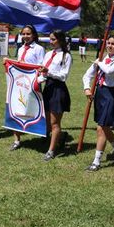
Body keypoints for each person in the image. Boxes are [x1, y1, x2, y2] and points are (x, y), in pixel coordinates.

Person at [82, 35, 114, 172]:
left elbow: (109, 71)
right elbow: (87, 75)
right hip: (100, 94)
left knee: (101, 128)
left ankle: (96, 162)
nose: (109, 46)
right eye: (108, 43)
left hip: (111, 95)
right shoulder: (102, 60)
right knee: (105, 127)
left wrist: (99, 62)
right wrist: (87, 88)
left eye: (113, 44)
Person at [10, 24, 46, 151]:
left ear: (34, 35)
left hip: (33, 83)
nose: (25, 36)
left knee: (36, 108)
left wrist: (37, 80)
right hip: (19, 84)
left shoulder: (39, 49)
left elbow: (41, 66)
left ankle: (41, 133)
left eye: (28, 34)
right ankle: (16, 140)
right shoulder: (20, 49)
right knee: (17, 107)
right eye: (23, 34)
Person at [38, 30, 72, 161]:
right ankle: (61, 137)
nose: (51, 42)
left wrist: (49, 72)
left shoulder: (66, 56)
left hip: (58, 88)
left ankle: (51, 151)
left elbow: (64, 76)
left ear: (61, 40)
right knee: (46, 120)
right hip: (48, 87)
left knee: (54, 122)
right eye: (50, 39)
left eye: (53, 39)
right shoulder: (48, 54)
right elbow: (42, 72)